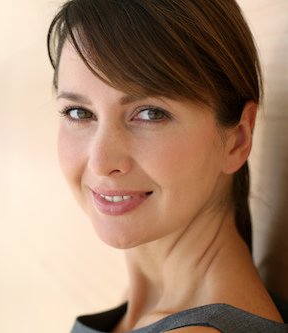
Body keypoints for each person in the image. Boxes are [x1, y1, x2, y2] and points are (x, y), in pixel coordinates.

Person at [47, 0, 288, 332]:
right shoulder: (148, 307)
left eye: (150, 113)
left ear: (237, 140)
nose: (101, 162)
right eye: (79, 112)